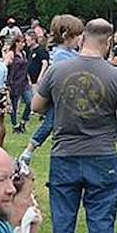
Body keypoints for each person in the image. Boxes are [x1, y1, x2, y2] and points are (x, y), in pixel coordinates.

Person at [33, 18, 117, 233]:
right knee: (101, 218)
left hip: (64, 153)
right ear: (108, 41)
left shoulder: (57, 70)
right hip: (102, 154)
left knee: (63, 219)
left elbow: (36, 106)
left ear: (83, 38)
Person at [21, 15, 83, 164]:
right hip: (60, 98)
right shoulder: (61, 55)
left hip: (68, 99)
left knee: (53, 123)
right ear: (66, 35)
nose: (80, 39)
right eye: (77, 35)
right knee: (50, 122)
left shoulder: (72, 53)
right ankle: (28, 151)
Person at [7, 36, 32, 133]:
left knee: (29, 102)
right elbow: (7, 65)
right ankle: (15, 125)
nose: (23, 44)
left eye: (24, 43)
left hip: (24, 82)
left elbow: (26, 68)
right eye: (21, 42)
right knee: (14, 105)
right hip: (14, 82)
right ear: (16, 43)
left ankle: (23, 121)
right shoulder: (11, 53)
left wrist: (28, 78)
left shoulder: (24, 54)